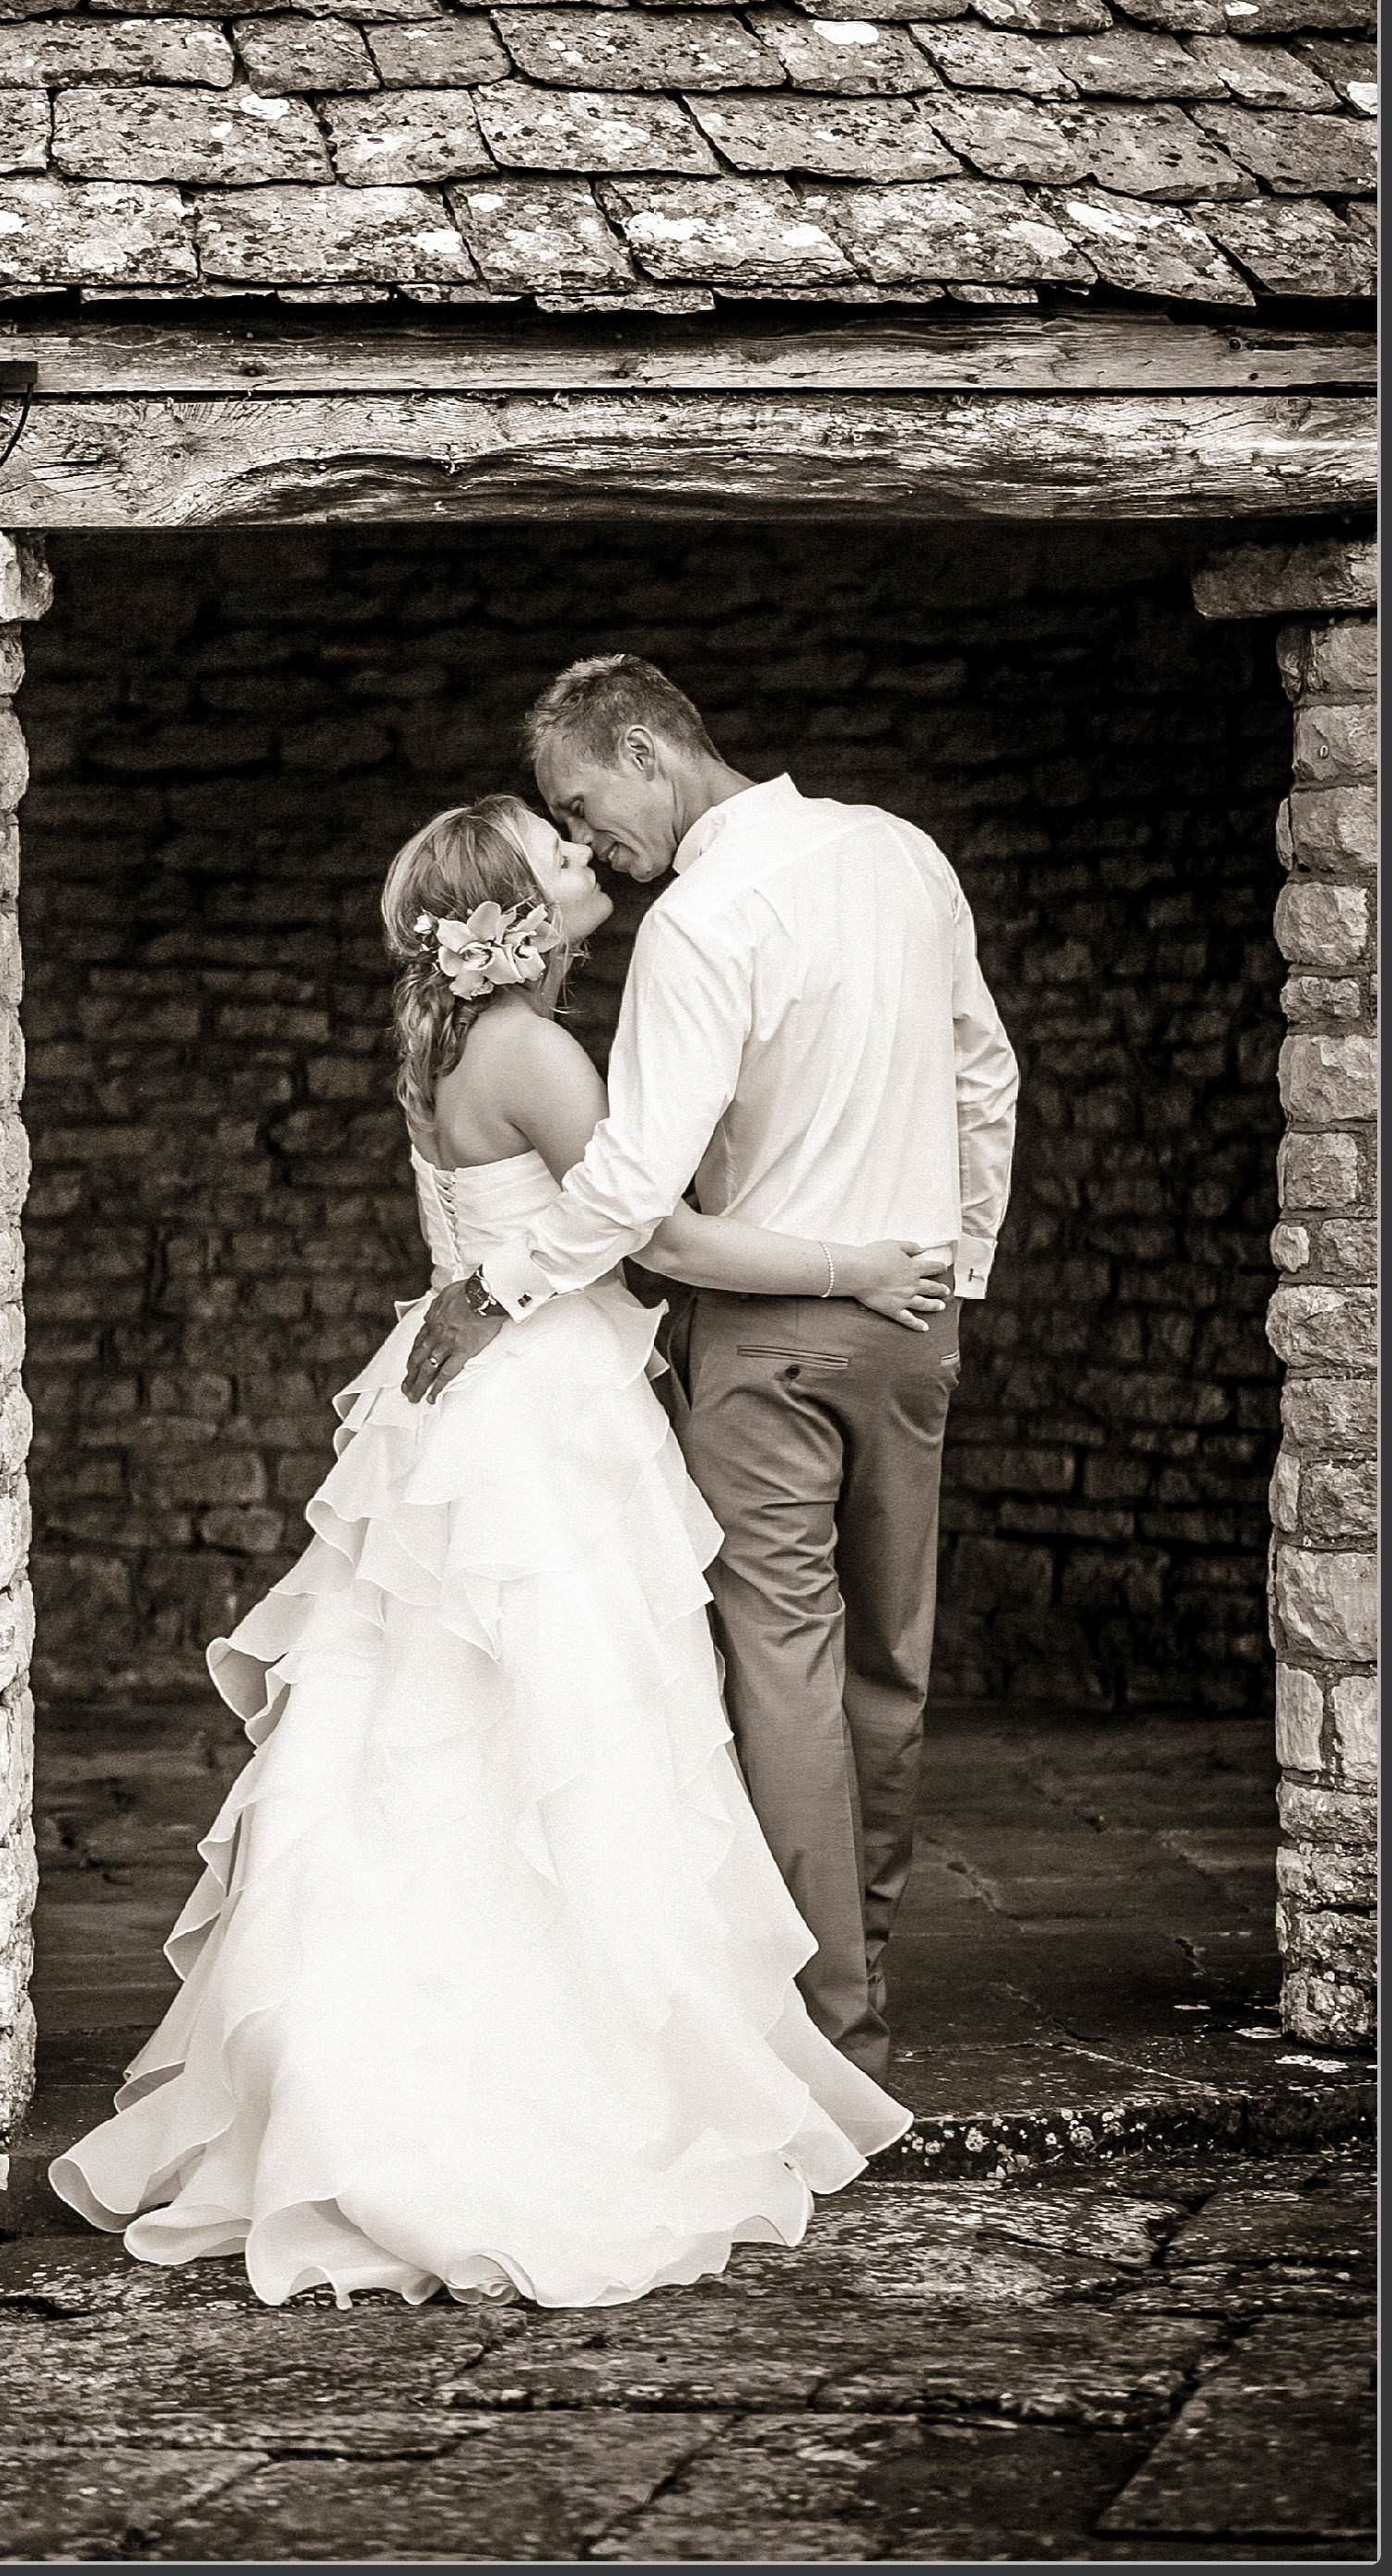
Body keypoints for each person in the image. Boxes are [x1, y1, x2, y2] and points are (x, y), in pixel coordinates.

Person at [50, 788, 950, 2309]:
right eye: (557, 854)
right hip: (541, 1416)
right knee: (571, 1734)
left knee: (444, 1737)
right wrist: (852, 1259)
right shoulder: (530, 1050)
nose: (585, 861)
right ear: (510, 918)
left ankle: (389, 2059)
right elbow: (649, 1234)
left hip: (472, 1396)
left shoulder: (458, 1043)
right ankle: (549, 2082)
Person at [404, 658, 1020, 2087]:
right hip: (913, 1320)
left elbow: (631, 1183)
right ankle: (865, 1978)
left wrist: (493, 1287)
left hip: (768, 1345)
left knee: (783, 1674)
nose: (592, 838)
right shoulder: (904, 854)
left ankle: (833, 2032)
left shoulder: (703, 914)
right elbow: (984, 1071)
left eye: (581, 802)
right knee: (890, 1664)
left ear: (643, 748)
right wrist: (956, 1269)